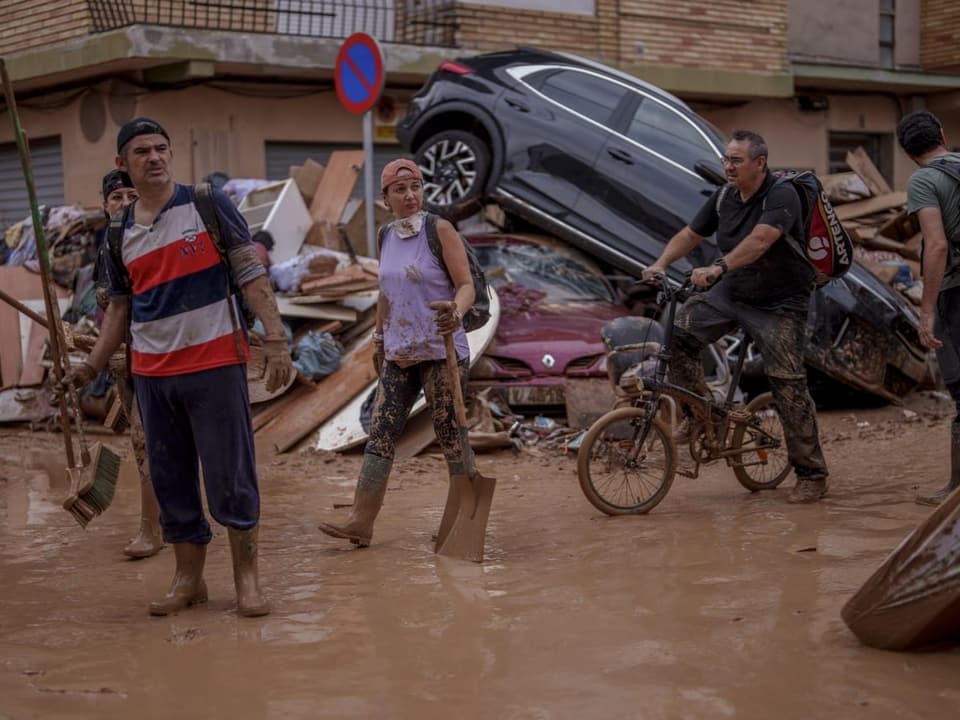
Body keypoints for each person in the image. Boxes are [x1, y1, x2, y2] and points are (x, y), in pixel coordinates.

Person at [66, 117, 293, 617]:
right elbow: (119, 311)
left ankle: (247, 581)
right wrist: (91, 366)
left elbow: (251, 273)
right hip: (152, 375)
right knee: (169, 480)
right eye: (142, 152)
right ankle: (188, 580)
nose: (155, 158)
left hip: (214, 365)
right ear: (122, 165)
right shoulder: (119, 232)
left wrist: (276, 339)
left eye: (161, 149)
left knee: (230, 475)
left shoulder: (209, 205)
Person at [641, 129, 830, 503]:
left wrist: (719, 266)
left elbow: (761, 240)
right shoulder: (725, 195)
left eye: (736, 160)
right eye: (727, 159)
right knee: (677, 335)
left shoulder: (781, 195)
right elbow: (690, 234)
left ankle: (812, 474)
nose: (728, 166)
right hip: (732, 291)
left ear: (759, 163)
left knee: (788, 384)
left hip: (780, 303)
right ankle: (701, 416)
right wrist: (660, 263)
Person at [318, 158, 475, 546]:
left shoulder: (440, 230)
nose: (410, 195)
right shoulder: (387, 235)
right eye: (400, 190)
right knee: (381, 432)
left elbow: (466, 285)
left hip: (442, 350)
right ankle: (361, 521)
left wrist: (456, 311)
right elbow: (386, 294)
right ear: (385, 198)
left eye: (416, 187)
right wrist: (378, 339)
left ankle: (465, 527)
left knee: (450, 435)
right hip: (400, 352)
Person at [97, 169, 165, 559]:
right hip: (128, 364)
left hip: (158, 357)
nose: (123, 204)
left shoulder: (150, 240)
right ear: (104, 205)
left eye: (129, 196)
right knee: (145, 443)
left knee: (151, 442)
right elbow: (111, 308)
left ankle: (154, 528)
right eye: (116, 198)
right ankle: (160, 525)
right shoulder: (107, 246)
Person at [897, 110, 960, 506]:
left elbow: (935, 245)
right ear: (941, 133)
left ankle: (956, 490)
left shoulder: (923, 180)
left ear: (907, 152)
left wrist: (926, 310)